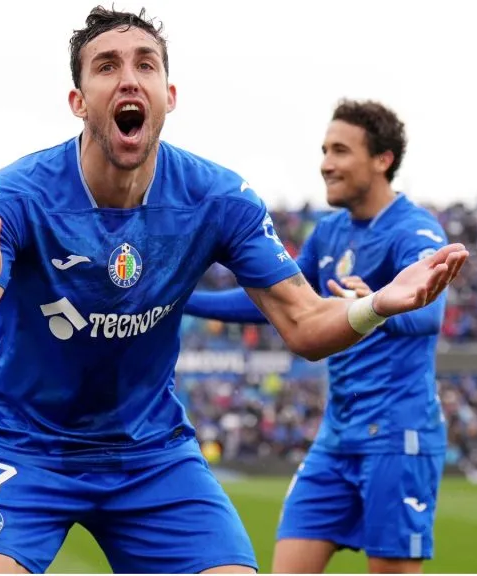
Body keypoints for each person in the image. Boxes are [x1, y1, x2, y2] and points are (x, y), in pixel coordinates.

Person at [0, 6, 467, 575]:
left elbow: (306, 325)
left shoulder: (219, 198)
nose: (129, 79)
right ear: (78, 101)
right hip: (25, 448)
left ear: (169, 95)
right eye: (107, 66)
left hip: (152, 455)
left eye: (146, 65)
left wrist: (377, 304)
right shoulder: (13, 199)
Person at [184, 99, 450, 573]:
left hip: (396, 438)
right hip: (336, 437)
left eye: (341, 151)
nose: (326, 163)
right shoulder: (329, 233)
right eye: (325, 150)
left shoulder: (413, 230)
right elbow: (277, 301)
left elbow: (429, 314)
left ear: (383, 159)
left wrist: (380, 304)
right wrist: (182, 297)